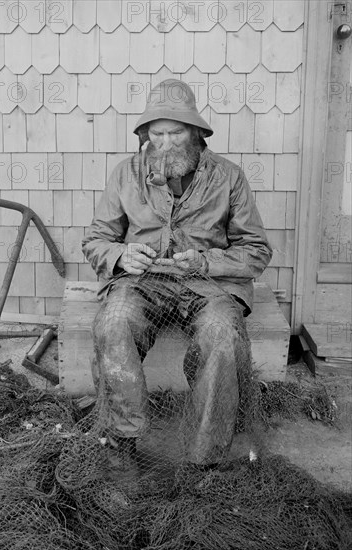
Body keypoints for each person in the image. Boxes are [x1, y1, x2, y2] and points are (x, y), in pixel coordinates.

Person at [82, 79, 272, 472]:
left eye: (176, 132)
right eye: (157, 133)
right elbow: (96, 239)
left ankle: (205, 460)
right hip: (142, 283)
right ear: (145, 134)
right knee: (114, 322)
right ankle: (123, 442)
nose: (166, 143)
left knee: (223, 335)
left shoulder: (229, 177)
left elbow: (256, 250)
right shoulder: (125, 174)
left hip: (209, 285)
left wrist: (207, 262)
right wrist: (120, 255)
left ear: (196, 132)